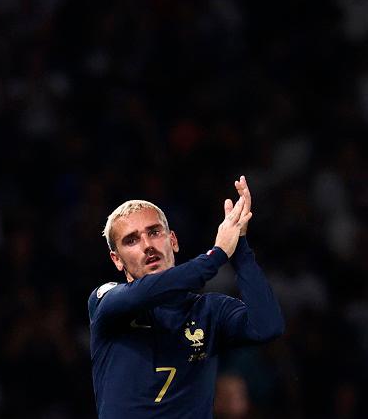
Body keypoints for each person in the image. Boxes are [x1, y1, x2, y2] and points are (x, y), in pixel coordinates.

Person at [88, 176, 284, 418]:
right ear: (116, 259)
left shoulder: (209, 310)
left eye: (154, 232)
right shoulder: (106, 302)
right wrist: (218, 253)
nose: (147, 245)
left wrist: (240, 246)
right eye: (131, 240)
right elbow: (153, 289)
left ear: (173, 241)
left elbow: (267, 326)